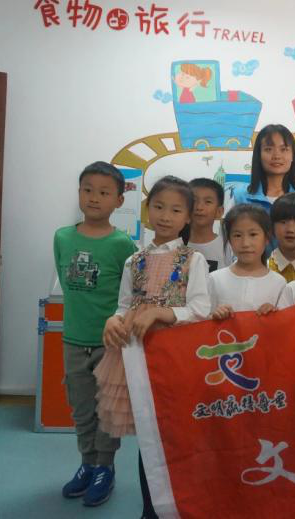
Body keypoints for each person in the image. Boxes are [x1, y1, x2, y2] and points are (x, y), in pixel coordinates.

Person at [100, 175, 210, 519]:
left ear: (188, 217)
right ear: (147, 209)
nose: (165, 216)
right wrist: (113, 320)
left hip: (177, 357)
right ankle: (150, 509)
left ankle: (180, 505)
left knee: (176, 433)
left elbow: (200, 309)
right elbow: (124, 305)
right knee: (148, 435)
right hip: (138, 355)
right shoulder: (134, 260)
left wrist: (162, 313)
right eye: (159, 207)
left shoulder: (193, 260)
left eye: (176, 210)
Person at [53, 161, 137, 507]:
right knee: (82, 407)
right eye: (87, 190)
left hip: (110, 343)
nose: (94, 198)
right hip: (73, 339)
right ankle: (87, 463)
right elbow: (65, 280)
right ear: (78, 193)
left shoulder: (123, 244)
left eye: (104, 192)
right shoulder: (62, 237)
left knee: (107, 411)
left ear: (119, 200)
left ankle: (105, 467)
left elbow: (131, 294)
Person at [209, 204, 286, 319]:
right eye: (237, 235)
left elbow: (284, 323)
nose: (245, 243)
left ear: (266, 238)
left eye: (253, 234)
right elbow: (202, 320)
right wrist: (214, 316)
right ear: (229, 239)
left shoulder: (279, 283)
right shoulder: (215, 279)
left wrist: (274, 314)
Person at [228, 124, 295, 213]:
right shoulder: (240, 197)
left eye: (283, 149)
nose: (277, 156)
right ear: (258, 155)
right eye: (268, 149)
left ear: (293, 155)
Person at [188, 178, 234, 273]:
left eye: (208, 202)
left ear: (219, 211)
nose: (199, 207)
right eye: (194, 200)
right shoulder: (175, 244)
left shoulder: (228, 247)